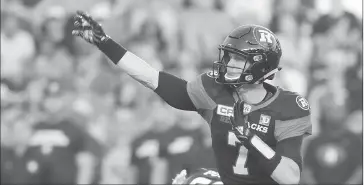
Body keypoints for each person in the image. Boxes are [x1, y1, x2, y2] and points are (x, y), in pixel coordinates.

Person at [72, 11, 312, 184]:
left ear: (260, 68)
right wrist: (105, 43)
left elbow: (290, 177)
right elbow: (152, 77)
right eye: (229, 56)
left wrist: (251, 138)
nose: (229, 64)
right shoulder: (214, 90)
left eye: (238, 59)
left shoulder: (289, 106)